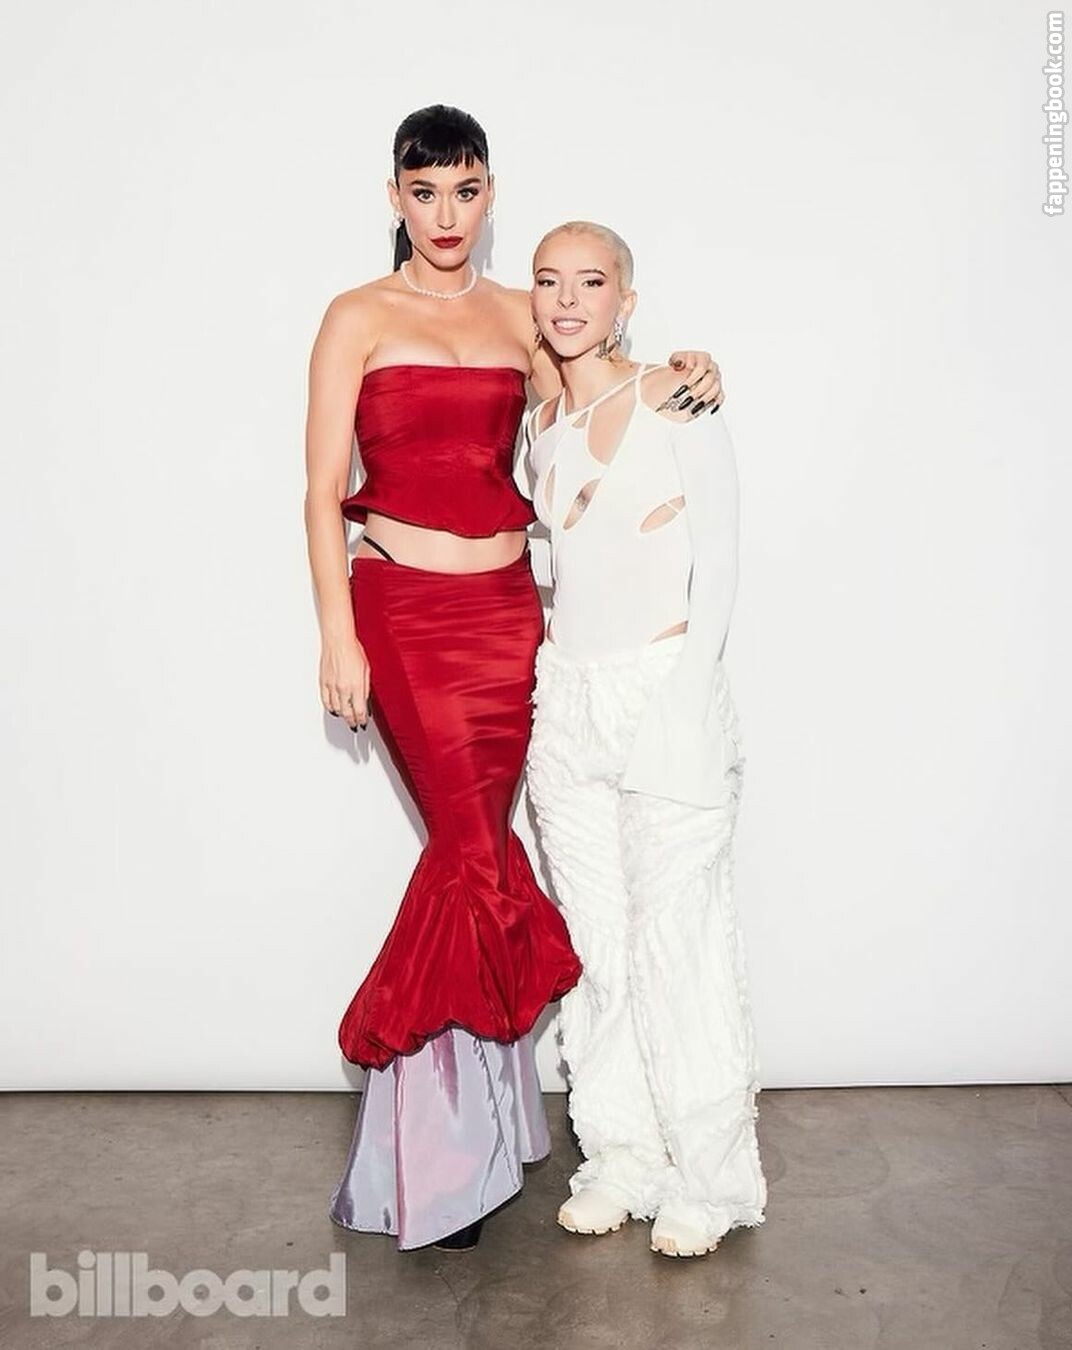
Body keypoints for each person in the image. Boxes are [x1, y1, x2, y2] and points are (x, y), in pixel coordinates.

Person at [302, 105, 725, 1253]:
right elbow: (319, 490)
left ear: (489, 194)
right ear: (395, 196)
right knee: (468, 852)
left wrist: (684, 370)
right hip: (401, 616)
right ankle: (445, 1167)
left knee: (476, 854)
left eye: (467, 190)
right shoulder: (356, 316)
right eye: (424, 191)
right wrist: (337, 634)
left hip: (505, 621)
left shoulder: (516, 318)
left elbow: (599, 389)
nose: (446, 214)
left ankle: (483, 1135)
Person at [523, 221, 768, 1258]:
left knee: (680, 943)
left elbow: (721, 555)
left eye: (592, 281)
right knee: (601, 948)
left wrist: (687, 695)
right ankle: (624, 1155)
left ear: (626, 299)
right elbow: (558, 566)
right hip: (567, 704)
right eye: (549, 280)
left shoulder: (678, 394)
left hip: (664, 690)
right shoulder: (541, 424)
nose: (568, 299)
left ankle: (710, 1179)